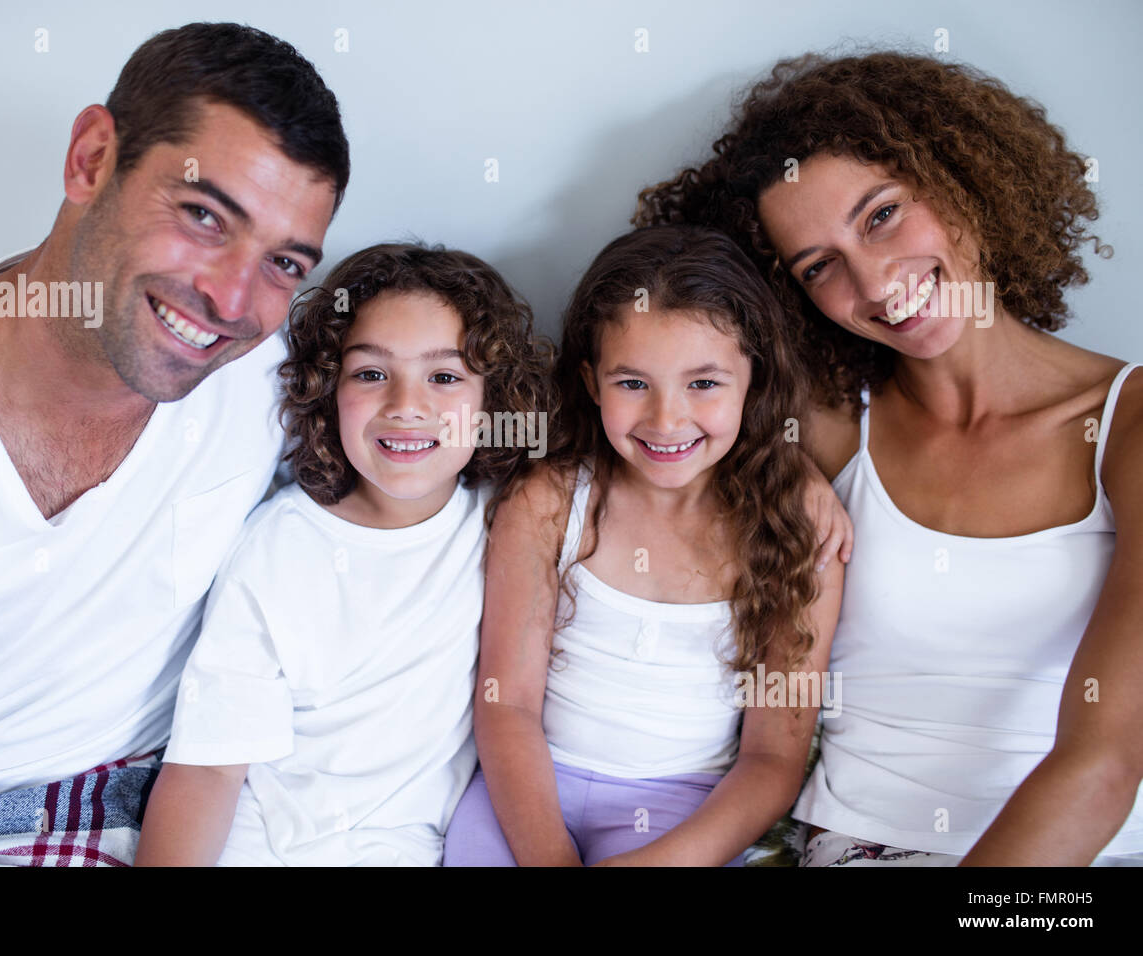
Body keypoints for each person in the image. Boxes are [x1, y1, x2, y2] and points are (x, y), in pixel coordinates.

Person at [0, 22, 349, 866]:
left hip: (130, 801)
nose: (231, 300)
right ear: (91, 160)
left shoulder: (272, 384)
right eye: (202, 215)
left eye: (285, 264)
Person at [635, 50, 1143, 866]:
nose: (874, 283)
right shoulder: (825, 427)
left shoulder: (1127, 425)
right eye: (819, 266)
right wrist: (777, 459)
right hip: (856, 846)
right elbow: (643, 358)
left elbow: (1106, 760)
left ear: (962, 176)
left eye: (881, 216)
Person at [134, 242, 554, 866]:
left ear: (491, 401)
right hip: (270, 849)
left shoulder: (512, 521)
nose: (407, 406)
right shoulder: (277, 549)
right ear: (329, 392)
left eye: (444, 377)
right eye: (371, 374)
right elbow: (208, 772)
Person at [442, 225, 844, 866]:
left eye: (703, 384)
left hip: (685, 816)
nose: (666, 420)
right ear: (592, 381)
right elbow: (507, 704)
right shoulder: (549, 502)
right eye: (632, 384)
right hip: (525, 792)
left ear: (754, 381)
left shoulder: (796, 536)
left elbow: (774, 758)